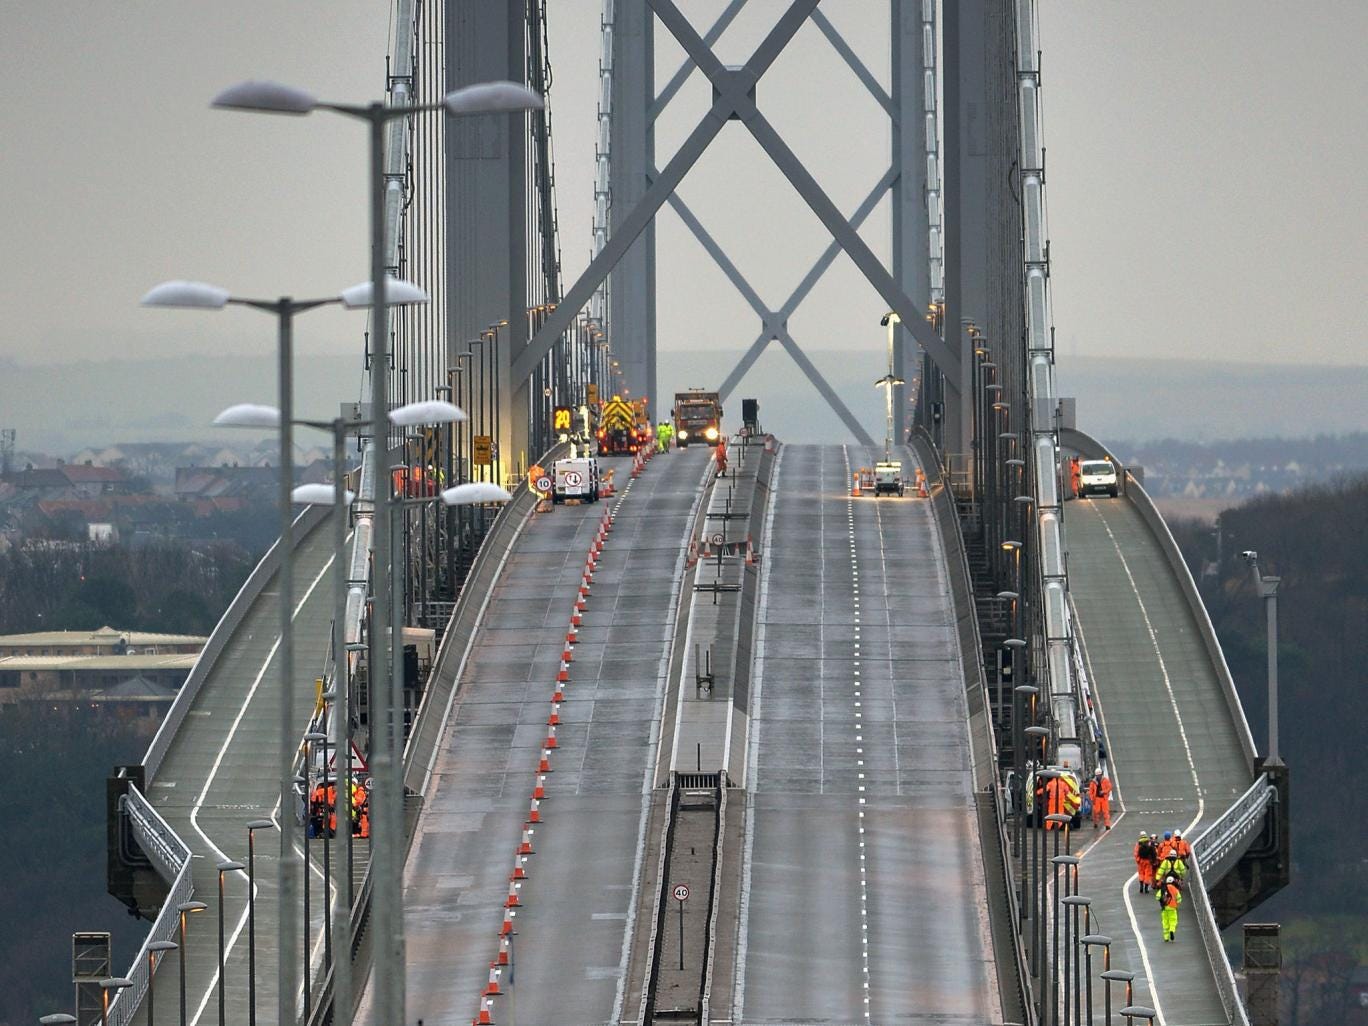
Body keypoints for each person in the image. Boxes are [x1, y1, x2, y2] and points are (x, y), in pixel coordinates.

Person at [1157, 873, 1183, 941]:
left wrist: (1162, 900)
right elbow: (1179, 899)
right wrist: (1176, 902)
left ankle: (1166, 937)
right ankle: (1172, 930)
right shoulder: (1175, 889)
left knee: (1165, 922)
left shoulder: (1162, 889)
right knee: (1173, 920)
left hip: (1164, 908)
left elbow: (1157, 897)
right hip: (1172, 908)